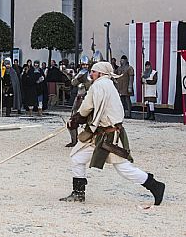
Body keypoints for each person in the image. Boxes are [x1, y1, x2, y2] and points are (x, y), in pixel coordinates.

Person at [61, 61, 165, 206]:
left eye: (93, 71)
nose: (91, 74)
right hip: (102, 133)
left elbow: (86, 108)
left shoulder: (98, 86)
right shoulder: (109, 85)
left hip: (107, 135)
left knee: (123, 168)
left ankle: (155, 186)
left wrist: (75, 120)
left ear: (101, 73)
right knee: (77, 157)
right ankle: (78, 193)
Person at [66, 55, 91, 147]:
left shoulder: (90, 74)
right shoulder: (81, 73)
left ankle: (88, 140)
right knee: (72, 120)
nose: (85, 66)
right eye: (83, 64)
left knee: (90, 121)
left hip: (86, 98)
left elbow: (89, 86)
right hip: (79, 98)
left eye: (86, 65)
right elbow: (73, 82)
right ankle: (74, 140)